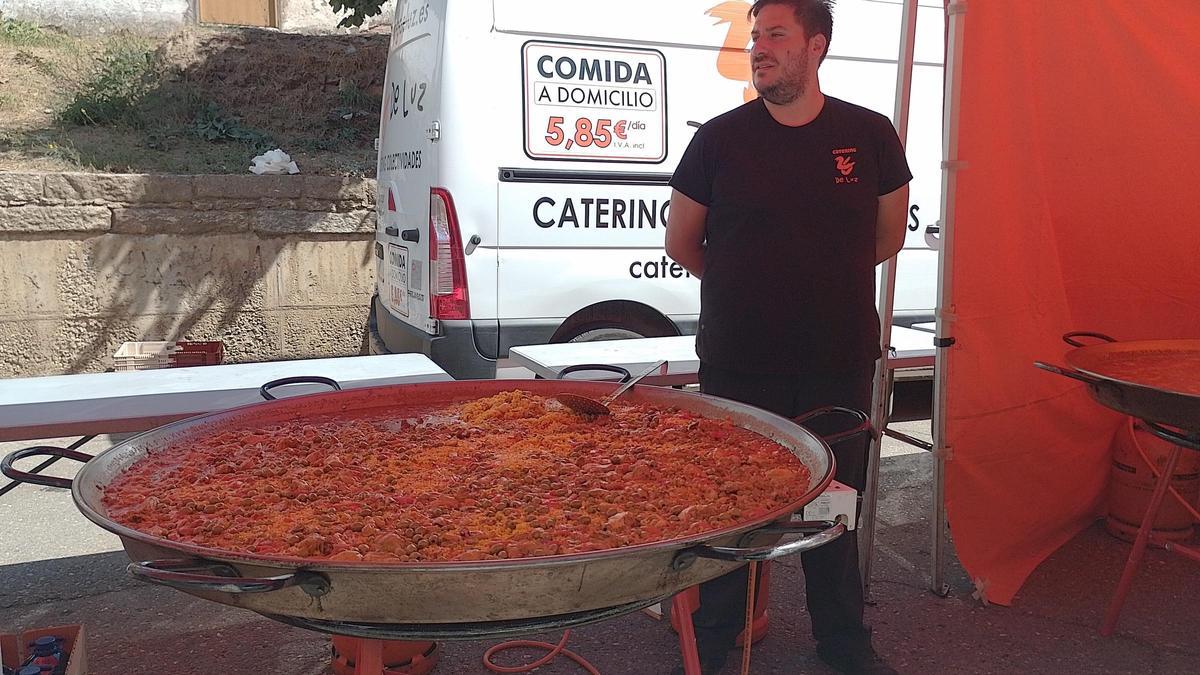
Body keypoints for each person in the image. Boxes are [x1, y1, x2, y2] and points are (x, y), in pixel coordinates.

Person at [664, 0, 911, 673]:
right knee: (734, 504)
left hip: (837, 359)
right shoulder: (718, 139)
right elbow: (682, 241)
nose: (759, 47)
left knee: (834, 505)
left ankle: (843, 641)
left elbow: (885, 237)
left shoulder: (869, 135)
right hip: (741, 363)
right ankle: (717, 636)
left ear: (816, 45)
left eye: (776, 33)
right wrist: (751, 285)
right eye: (755, 35)